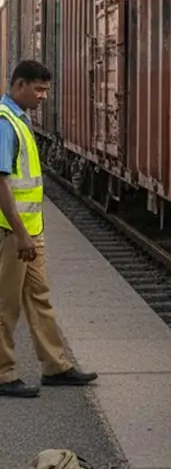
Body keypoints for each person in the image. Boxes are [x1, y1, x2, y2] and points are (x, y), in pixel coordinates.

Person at [0, 60, 97, 398]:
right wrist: (22, 234)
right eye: (38, 89)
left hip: (29, 232)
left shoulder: (19, 119)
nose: (43, 96)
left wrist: (31, 233)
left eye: (46, 90)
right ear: (19, 85)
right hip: (11, 234)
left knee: (39, 297)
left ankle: (56, 367)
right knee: (5, 304)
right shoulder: (5, 122)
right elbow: (1, 183)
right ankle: (4, 374)